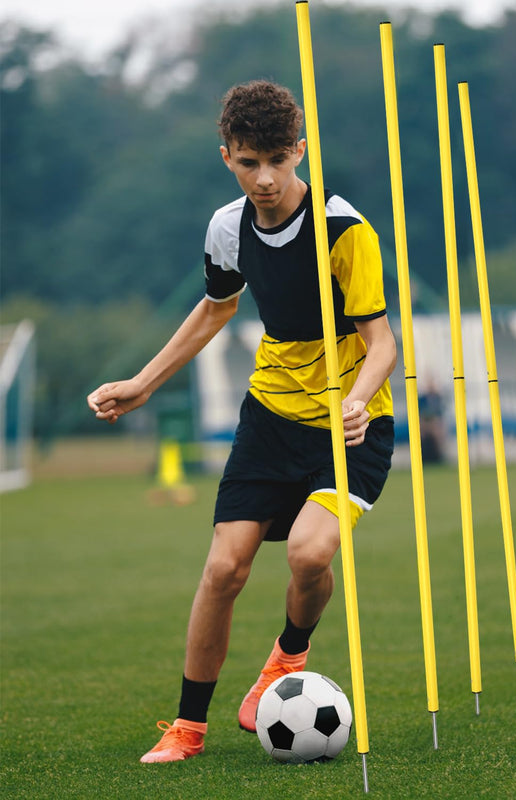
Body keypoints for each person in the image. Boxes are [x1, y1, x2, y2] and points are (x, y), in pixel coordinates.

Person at [87, 80, 396, 762]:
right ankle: (187, 728)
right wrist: (141, 383)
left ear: (300, 152)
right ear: (226, 155)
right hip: (270, 418)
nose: (264, 179)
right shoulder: (227, 227)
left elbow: (382, 342)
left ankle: (288, 655)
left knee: (310, 553)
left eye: (278, 161)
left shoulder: (344, 229)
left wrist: (356, 398)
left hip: (350, 424)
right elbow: (216, 308)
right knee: (224, 568)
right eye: (249, 162)